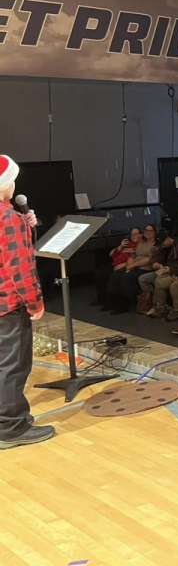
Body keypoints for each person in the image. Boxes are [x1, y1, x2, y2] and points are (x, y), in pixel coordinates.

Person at [0, 155, 52, 450]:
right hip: (8, 305)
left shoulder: (11, 217)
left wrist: (26, 226)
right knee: (13, 367)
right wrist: (35, 303)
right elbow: (19, 267)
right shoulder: (9, 218)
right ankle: (11, 429)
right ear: (6, 185)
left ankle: (9, 419)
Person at [106, 225, 160, 314]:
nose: (148, 232)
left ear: (155, 233)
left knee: (126, 278)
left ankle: (125, 304)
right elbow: (133, 255)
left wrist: (133, 265)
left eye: (151, 231)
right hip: (135, 265)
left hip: (146, 267)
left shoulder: (155, 245)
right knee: (115, 275)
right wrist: (129, 265)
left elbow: (149, 259)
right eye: (146, 230)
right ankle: (113, 301)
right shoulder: (141, 243)